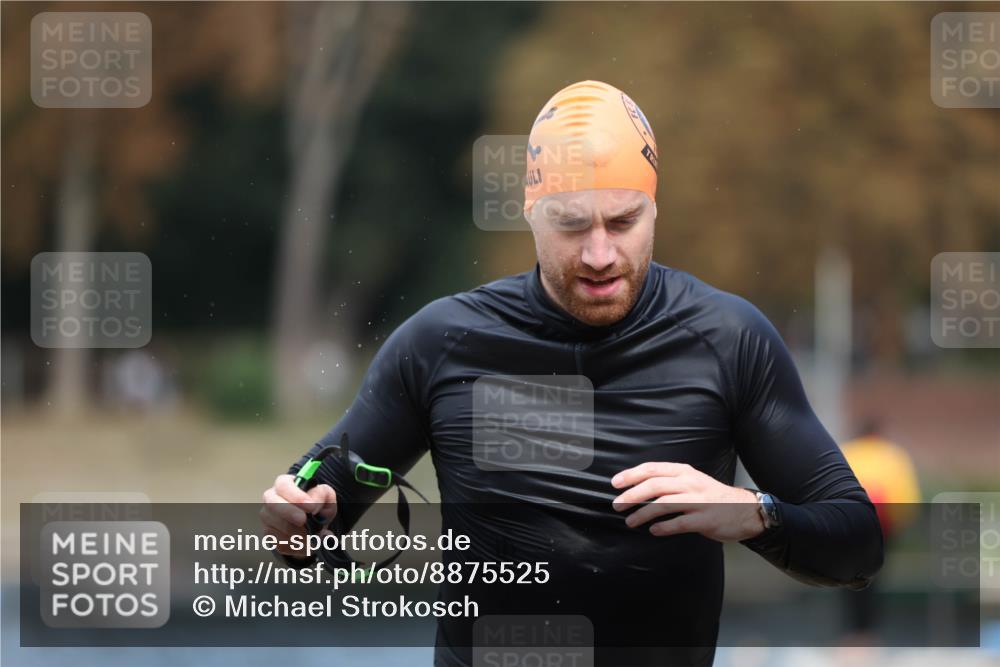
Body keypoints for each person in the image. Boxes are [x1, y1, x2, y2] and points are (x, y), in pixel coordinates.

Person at [260, 80, 884, 666]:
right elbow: (316, 522)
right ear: (531, 213)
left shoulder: (728, 341)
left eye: (622, 222)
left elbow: (856, 543)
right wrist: (293, 527)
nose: (599, 255)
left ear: (654, 209)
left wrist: (752, 513)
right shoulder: (440, 344)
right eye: (571, 225)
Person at [839, 418, 921, 641]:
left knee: (849, 580)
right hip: (883, 529)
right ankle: (867, 633)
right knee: (875, 579)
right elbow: (906, 497)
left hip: (849, 527)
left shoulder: (847, 452)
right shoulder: (894, 455)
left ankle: (853, 634)